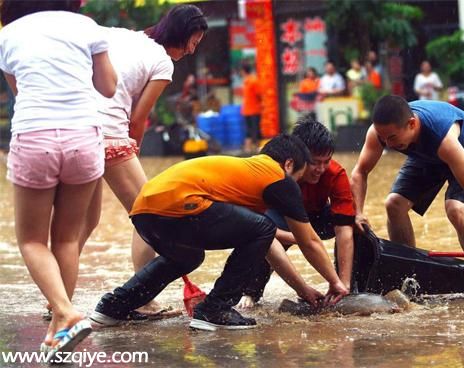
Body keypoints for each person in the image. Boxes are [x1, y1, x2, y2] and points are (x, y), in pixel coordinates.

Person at [89, 134, 349, 331]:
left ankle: (113, 307)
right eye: (298, 178)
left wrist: (303, 290)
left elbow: (268, 243)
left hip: (145, 212)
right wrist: (336, 283)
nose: (296, 186)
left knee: (188, 258)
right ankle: (215, 309)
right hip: (180, 206)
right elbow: (310, 240)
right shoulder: (277, 176)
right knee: (264, 228)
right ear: (289, 164)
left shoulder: (243, 177)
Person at [0, 0, 117, 356]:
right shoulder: (86, 26)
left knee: (32, 242)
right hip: (83, 136)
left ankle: (64, 312)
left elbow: (21, 92)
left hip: (35, 136)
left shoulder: (8, 35)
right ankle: (58, 331)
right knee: (66, 239)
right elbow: (109, 87)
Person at [80, 4, 207, 318]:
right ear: (181, 33)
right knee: (150, 211)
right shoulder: (163, 62)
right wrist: (131, 149)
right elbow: (138, 119)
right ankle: (143, 299)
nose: (192, 50)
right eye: (194, 40)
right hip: (109, 133)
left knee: (82, 223)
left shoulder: (123, 36)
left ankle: (56, 301)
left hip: (76, 130)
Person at [350, 96, 464, 291]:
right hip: (427, 156)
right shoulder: (381, 133)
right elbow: (360, 171)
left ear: (412, 124)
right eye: (383, 138)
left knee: (455, 209)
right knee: (394, 204)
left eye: (392, 138)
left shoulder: (444, 139)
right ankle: (409, 274)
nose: (387, 145)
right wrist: (357, 212)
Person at [238, 118, 356, 308]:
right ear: (297, 157)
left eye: (326, 162)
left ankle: (350, 288)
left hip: (316, 215)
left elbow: (343, 230)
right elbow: (252, 224)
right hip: (281, 216)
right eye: (315, 163)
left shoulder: (335, 173)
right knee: (261, 237)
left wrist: (343, 282)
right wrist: (296, 238)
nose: (321, 169)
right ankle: (251, 291)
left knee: (355, 227)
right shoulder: (277, 170)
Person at [240, 64, 262, 153]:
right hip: (249, 110)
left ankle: (255, 148)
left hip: (254, 110)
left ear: (243, 71)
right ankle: (249, 148)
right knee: (251, 129)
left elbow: (258, 94)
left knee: (254, 129)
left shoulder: (252, 81)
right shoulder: (248, 81)